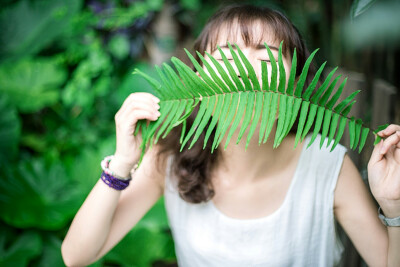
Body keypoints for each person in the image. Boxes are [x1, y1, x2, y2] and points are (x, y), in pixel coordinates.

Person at [61, 4, 400, 266]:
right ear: (198, 77)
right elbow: (77, 256)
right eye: (227, 55)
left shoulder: (327, 165)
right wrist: (121, 164)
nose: (245, 70)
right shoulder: (170, 153)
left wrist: (394, 206)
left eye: (266, 55)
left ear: (295, 82)